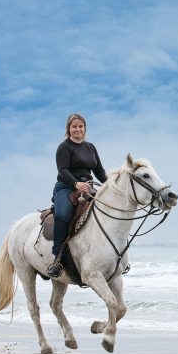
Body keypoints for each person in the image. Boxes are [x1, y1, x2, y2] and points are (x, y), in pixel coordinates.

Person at [47, 113, 108, 277]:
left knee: (107, 209)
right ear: (69, 129)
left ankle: (111, 256)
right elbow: (63, 170)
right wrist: (75, 183)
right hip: (66, 187)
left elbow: (99, 171)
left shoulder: (90, 147)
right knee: (63, 213)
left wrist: (111, 185)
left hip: (88, 187)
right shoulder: (64, 147)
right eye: (74, 126)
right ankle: (58, 258)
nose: (78, 129)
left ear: (84, 129)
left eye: (80, 126)